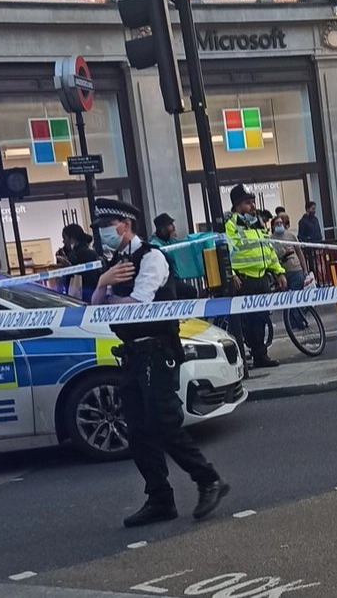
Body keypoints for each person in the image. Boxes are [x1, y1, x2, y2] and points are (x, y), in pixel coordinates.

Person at [90, 198, 228, 527]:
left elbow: (138, 303)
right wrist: (102, 284)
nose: (104, 235)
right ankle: (160, 498)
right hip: (132, 353)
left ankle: (208, 479)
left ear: (125, 224)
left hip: (157, 351)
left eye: (108, 228)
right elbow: (96, 309)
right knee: (137, 430)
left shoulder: (152, 257)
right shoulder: (112, 264)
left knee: (165, 423)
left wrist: (109, 294)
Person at [226, 184, 287, 368]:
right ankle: (249, 357)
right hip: (243, 280)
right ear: (237, 206)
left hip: (261, 277)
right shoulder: (230, 225)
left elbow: (267, 250)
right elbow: (225, 251)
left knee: (260, 319)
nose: (252, 206)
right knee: (246, 321)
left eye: (252, 202)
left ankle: (261, 356)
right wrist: (232, 274)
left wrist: (278, 272)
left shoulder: (258, 223)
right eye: (247, 203)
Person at [149, 213, 198, 300]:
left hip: (173, 278)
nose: (173, 227)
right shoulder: (154, 244)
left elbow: (180, 251)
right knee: (190, 291)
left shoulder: (168, 240)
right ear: (163, 229)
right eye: (170, 225)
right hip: (164, 281)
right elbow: (169, 255)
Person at [56, 223, 101, 303]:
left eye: (65, 238)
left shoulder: (76, 255)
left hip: (81, 296)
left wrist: (70, 267)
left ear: (72, 238)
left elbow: (88, 277)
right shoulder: (91, 253)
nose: (63, 241)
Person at [271, 214, 309, 290]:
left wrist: (305, 269)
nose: (279, 224)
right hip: (282, 272)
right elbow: (272, 258)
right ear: (273, 226)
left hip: (296, 270)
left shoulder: (291, 236)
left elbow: (299, 253)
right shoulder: (271, 239)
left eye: (281, 223)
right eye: (277, 223)